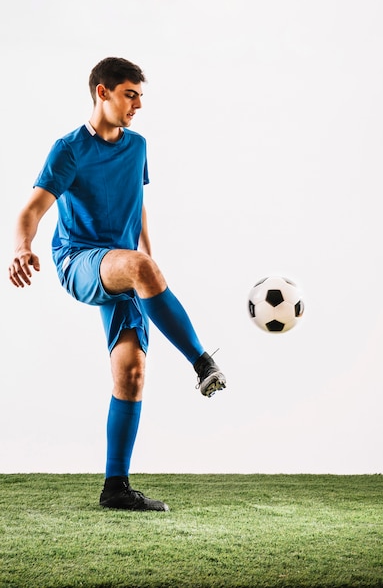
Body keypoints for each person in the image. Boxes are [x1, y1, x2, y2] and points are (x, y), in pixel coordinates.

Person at [8, 57, 226, 512]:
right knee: (138, 270)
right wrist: (21, 248)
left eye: (141, 96)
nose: (138, 104)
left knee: (131, 373)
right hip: (80, 259)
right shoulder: (68, 149)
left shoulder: (138, 146)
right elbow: (30, 210)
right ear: (102, 92)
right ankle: (202, 362)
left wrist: (148, 259)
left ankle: (116, 488)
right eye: (130, 94)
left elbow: (137, 202)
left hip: (124, 268)